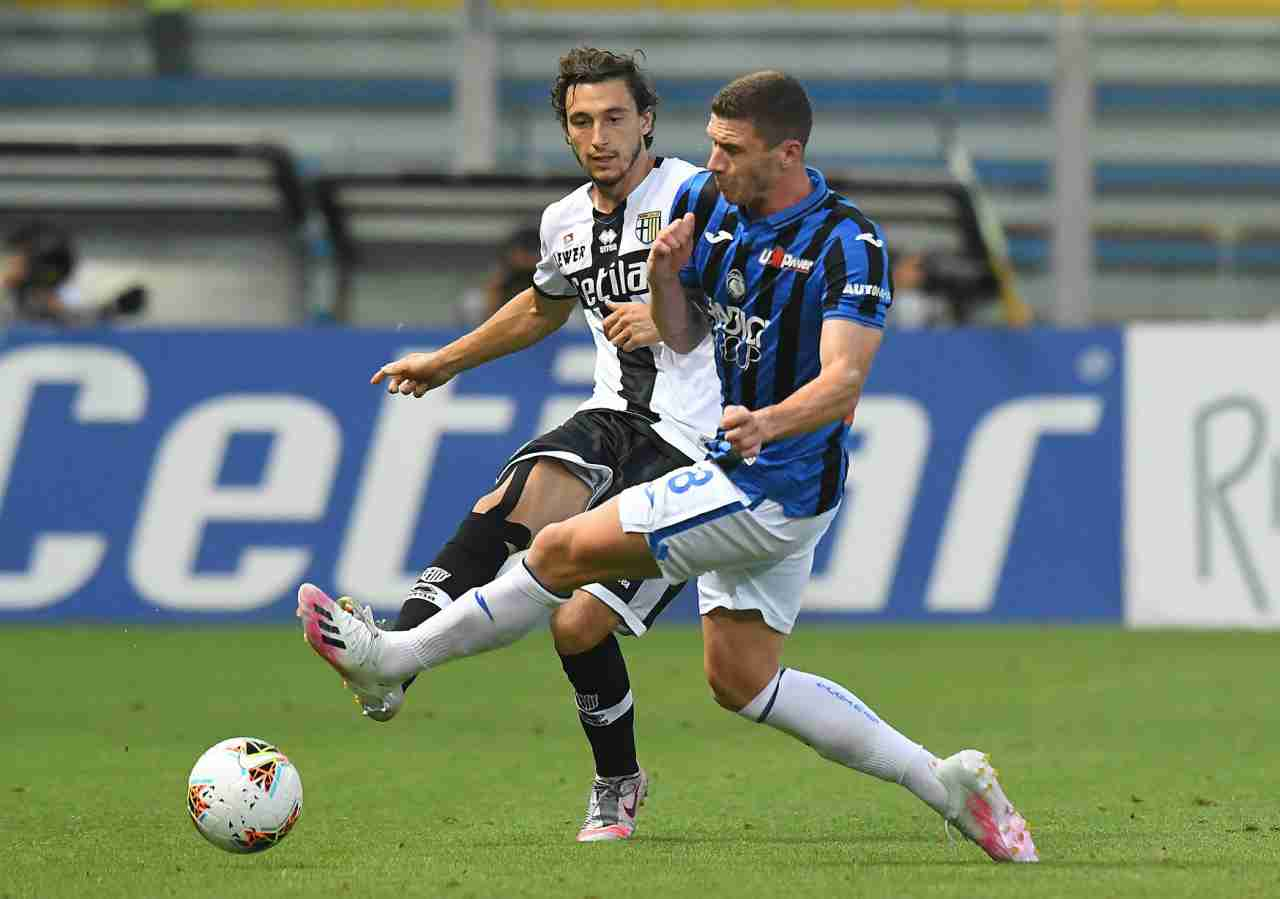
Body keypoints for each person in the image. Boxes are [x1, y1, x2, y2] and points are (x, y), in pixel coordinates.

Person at [300, 70, 1038, 864]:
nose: (710, 161)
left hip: (768, 483)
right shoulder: (709, 208)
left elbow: (845, 379)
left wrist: (768, 420)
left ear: (786, 153)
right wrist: (663, 277)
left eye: (730, 149)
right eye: (712, 144)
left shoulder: (847, 241)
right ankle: (948, 785)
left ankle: (396, 657)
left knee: (557, 552)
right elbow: (683, 337)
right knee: (743, 680)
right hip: (752, 473)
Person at [321, 47, 720, 842]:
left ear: (647, 118)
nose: (600, 135)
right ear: (566, 131)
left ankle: (618, 781)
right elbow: (542, 307)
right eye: (582, 121)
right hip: (619, 415)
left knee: (576, 625)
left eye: (614, 117)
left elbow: (756, 291)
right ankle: (391, 654)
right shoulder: (564, 219)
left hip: (707, 445)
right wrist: (444, 362)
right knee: (515, 493)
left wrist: (682, 315)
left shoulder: (696, 193)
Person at [456, 224, 542, 327]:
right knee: (473, 304)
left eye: (533, 252)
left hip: (550, 335)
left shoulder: (556, 285)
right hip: (493, 333)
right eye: (524, 252)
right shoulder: (477, 303)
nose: (528, 259)